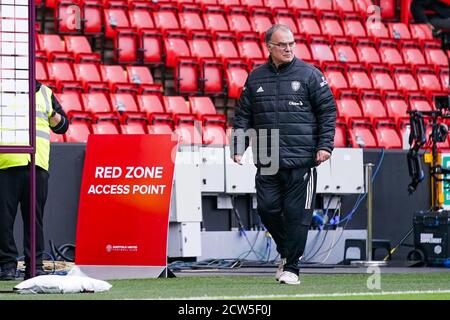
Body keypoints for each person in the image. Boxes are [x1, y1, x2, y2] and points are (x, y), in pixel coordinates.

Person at [232, 25, 336, 285]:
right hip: (266, 154)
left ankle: (292, 267)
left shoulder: (310, 75)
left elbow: (327, 112)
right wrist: (237, 147)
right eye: (282, 44)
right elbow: (243, 114)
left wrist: (325, 145)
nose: (289, 48)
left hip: (301, 157)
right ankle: (286, 251)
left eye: (291, 43)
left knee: (296, 215)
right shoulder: (255, 78)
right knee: (267, 210)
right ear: (269, 47)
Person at [0, 81, 69, 280]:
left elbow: (63, 126)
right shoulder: (3, 90)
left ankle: (35, 266)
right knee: (4, 220)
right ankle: (7, 265)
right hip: (6, 163)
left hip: (36, 164)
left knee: (34, 219)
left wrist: (52, 115)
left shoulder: (45, 93)